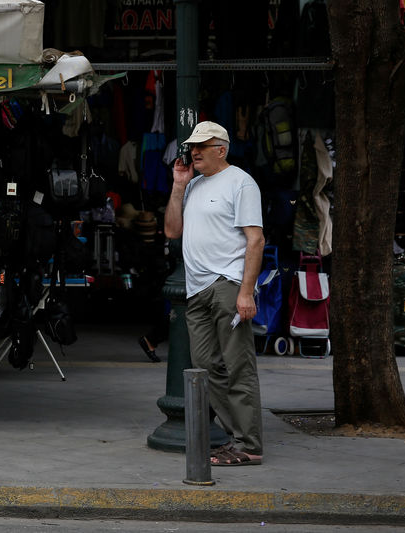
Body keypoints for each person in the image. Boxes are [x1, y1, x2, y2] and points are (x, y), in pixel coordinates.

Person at [164, 121, 265, 466]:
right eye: (193, 146)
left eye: (202, 146)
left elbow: (256, 239)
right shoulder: (192, 186)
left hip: (227, 284)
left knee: (238, 365)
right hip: (197, 289)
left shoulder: (240, 182)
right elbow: (172, 230)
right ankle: (237, 435)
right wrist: (178, 187)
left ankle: (249, 443)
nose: (194, 151)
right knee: (206, 365)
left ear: (221, 149)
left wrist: (246, 292)